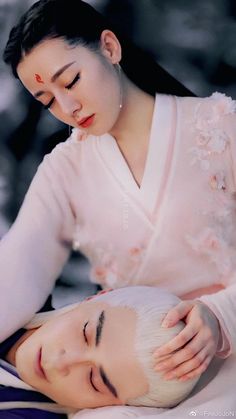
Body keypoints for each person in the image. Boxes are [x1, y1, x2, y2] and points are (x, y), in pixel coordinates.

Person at [1, 0, 236, 392]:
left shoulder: (221, 128)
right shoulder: (65, 169)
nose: (68, 107)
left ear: (109, 48)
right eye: (46, 100)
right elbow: (17, 270)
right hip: (135, 388)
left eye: (71, 82)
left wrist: (220, 314)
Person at [0, 286, 200, 418]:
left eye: (93, 381)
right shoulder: (16, 275)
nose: (62, 362)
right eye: (85, 333)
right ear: (97, 297)